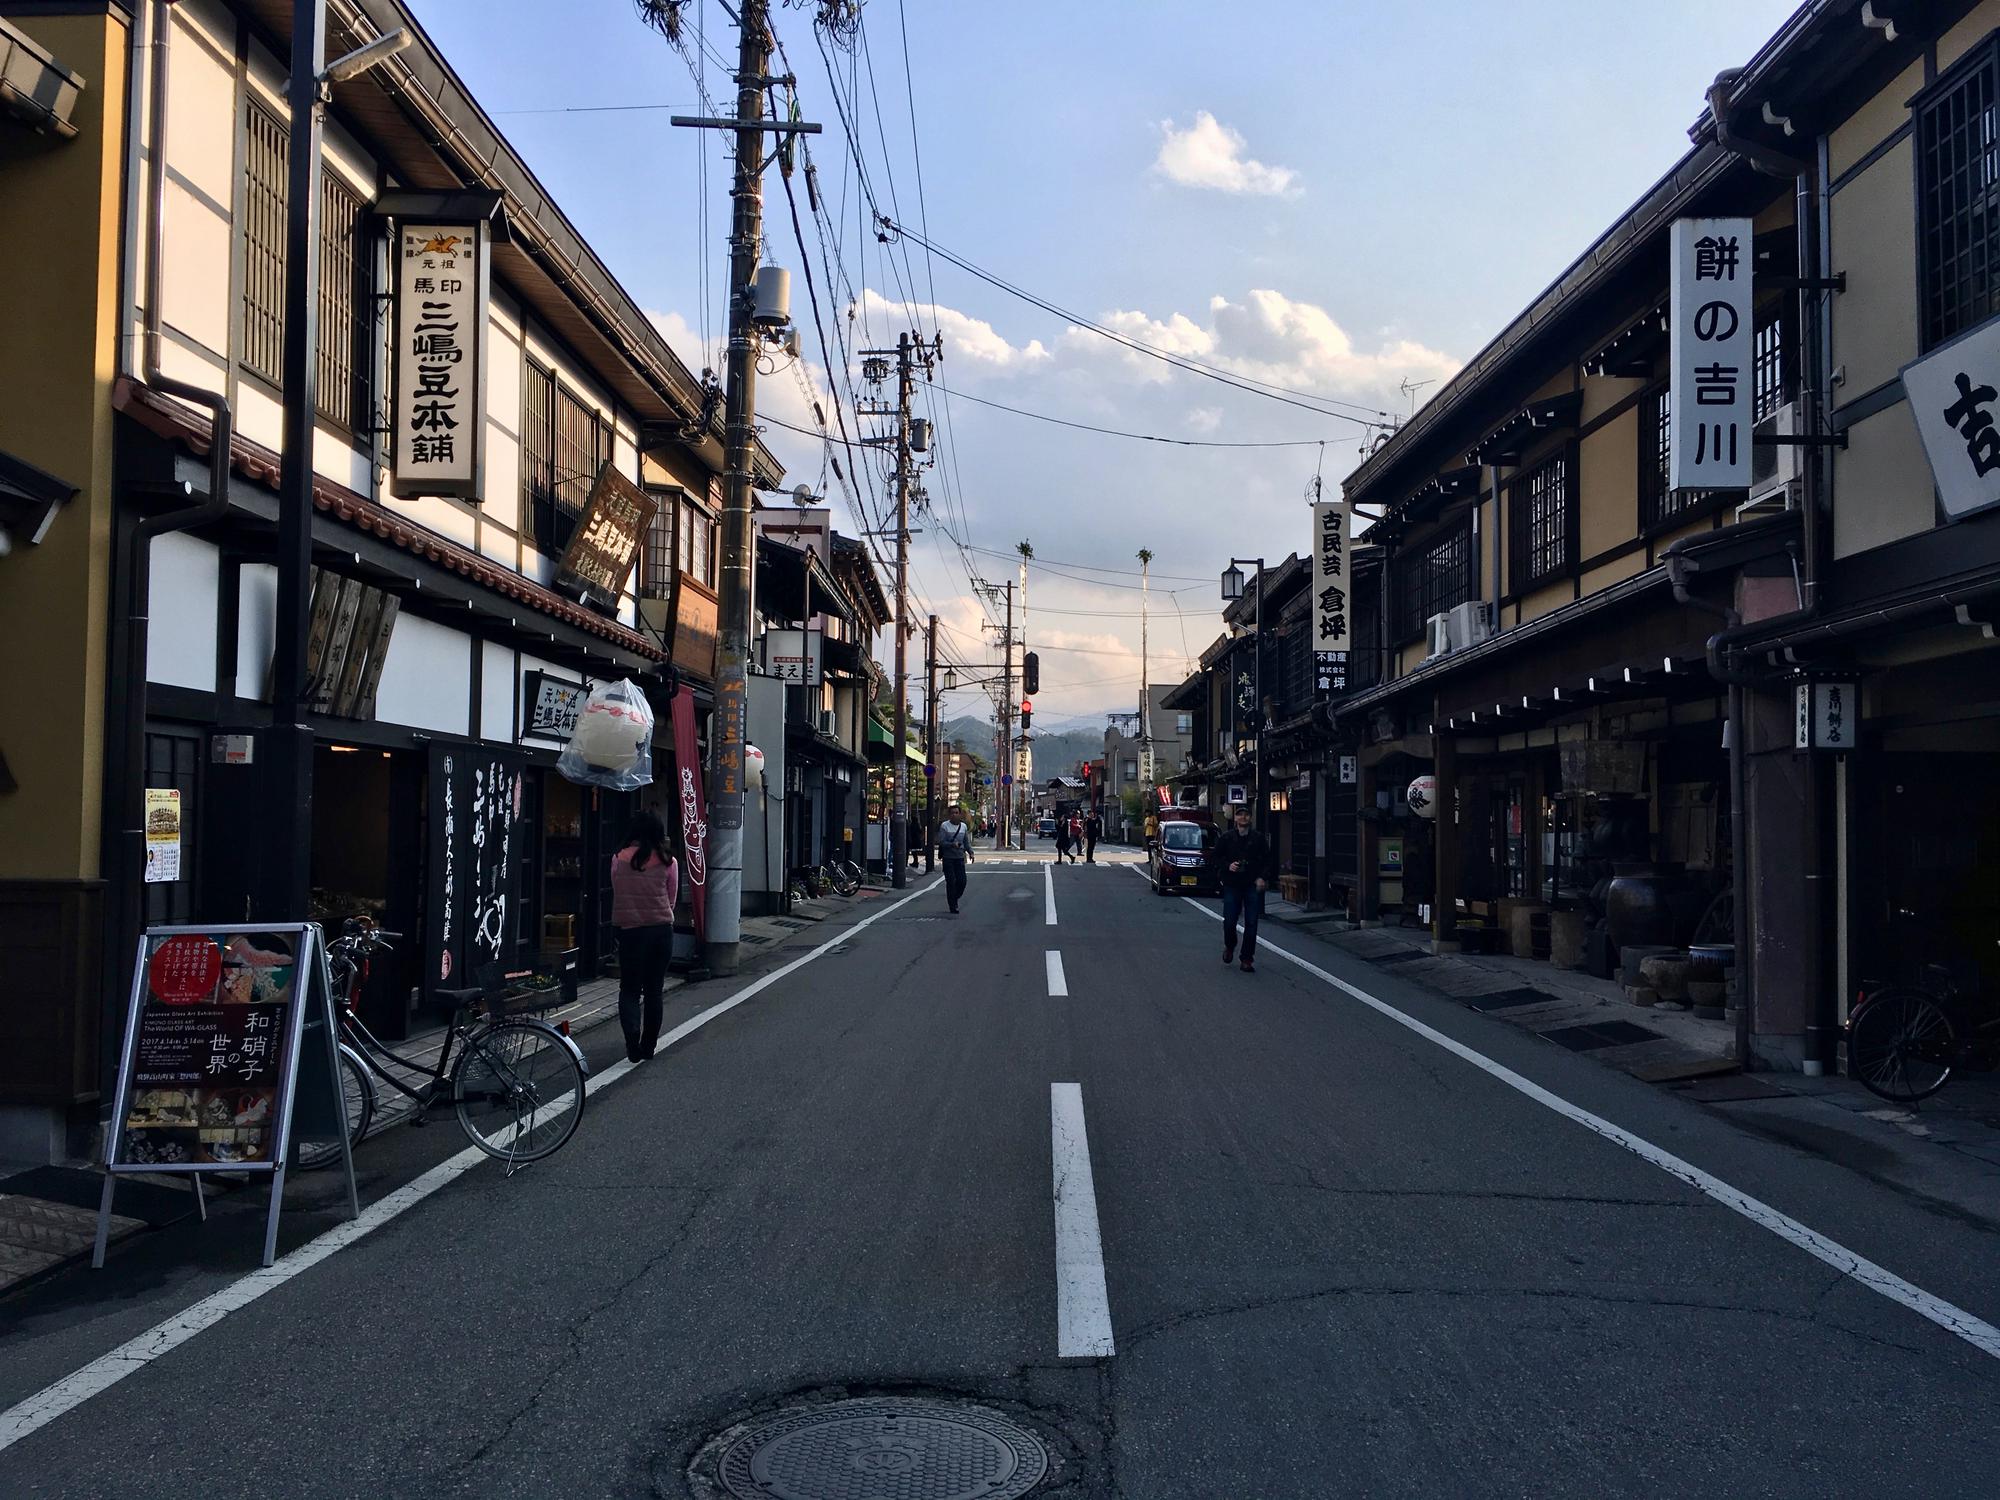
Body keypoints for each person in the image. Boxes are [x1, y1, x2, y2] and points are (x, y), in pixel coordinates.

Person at [609, 809, 679, 1061]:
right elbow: (671, 899)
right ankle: (648, 1046)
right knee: (654, 990)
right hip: (661, 931)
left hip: (630, 932)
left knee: (629, 989)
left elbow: (618, 889)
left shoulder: (619, 859)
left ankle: (632, 1042)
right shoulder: (668, 861)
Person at [1213, 805, 1274, 973]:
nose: (1243, 818)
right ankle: (1230, 945)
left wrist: (1262, 877)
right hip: (1232, 884)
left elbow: (1268, 860)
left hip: (1252, 883)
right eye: (1240, 815)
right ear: (1235, 818)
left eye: (1246, 815)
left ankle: (1247, 958)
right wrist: (1228, 866)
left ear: (1251, 818)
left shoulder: (1258, 838)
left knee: (1252, 922)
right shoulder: (1226, 838)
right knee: (1230, 921)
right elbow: (1216, 857)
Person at [936, 801, 976, 914]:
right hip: (948, 858)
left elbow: (966, 842)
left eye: (957, 812)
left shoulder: (963, 826)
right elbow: (941, 842)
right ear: (949, 815)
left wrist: (971, 852)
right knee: (951, 882)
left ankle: (955, 897)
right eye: (952, 813)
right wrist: (952, 844)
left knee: (962, 881)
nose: (955, 815)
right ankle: (953, 905)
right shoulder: (944, 826)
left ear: (960, 814)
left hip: (959, 858)